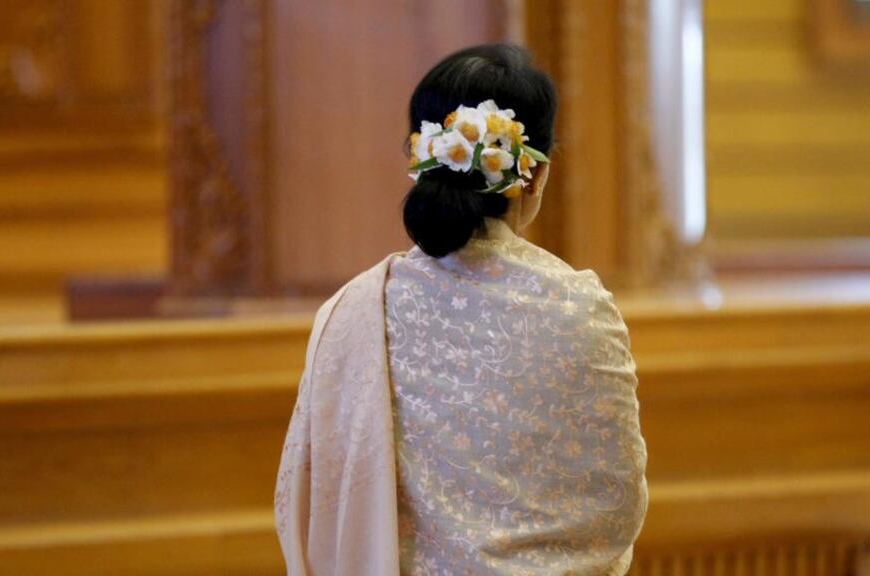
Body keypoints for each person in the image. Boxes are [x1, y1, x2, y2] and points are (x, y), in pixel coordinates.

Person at [275, 43, 648, 576]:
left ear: (420, 160)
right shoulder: (581, 308)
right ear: (535, 175)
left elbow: (311, 500)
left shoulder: (354, 309)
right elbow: (615, 507)